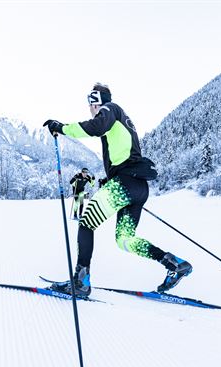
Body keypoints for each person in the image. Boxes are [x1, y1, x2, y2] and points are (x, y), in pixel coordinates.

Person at [43, 83, 192, 298]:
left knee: (86, 224)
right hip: (137, 187)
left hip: (125, 184)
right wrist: (109, 180)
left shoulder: (110, 108)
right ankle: (173, 263)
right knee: (125, 239)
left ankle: (81, 282)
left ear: (96, 101)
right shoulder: (121, 119)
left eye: (90, 104)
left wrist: (61, 127)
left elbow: (96, 127)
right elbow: (123, 156)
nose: (90, 109)